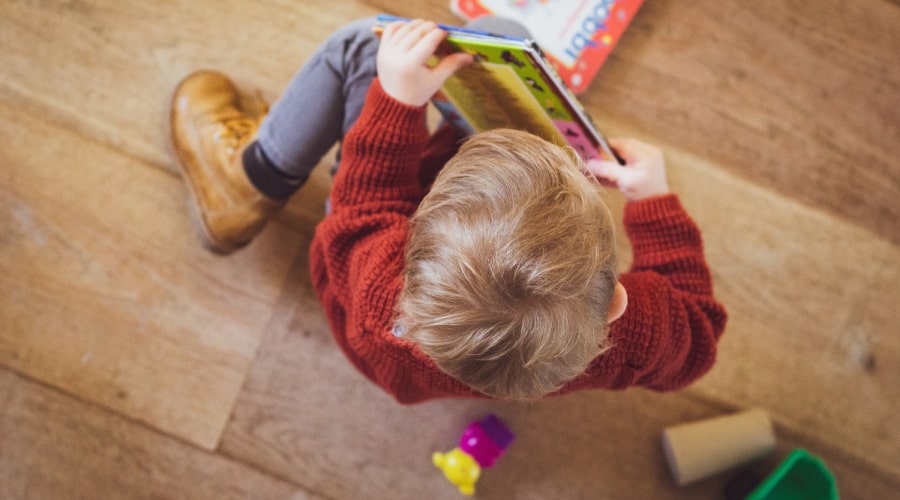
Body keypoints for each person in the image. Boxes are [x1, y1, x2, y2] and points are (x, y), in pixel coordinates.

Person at [169, 17, 727, 403]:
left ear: (418, 239)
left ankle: (246, 182)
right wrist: (653, 202)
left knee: (361, 47)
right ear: (615, 304)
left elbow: (370, 203)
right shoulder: (634, 332)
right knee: (502, 39)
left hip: (358, 260)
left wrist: (396, 101)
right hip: (453, 364)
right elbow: (697, 336)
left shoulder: (383, 289)